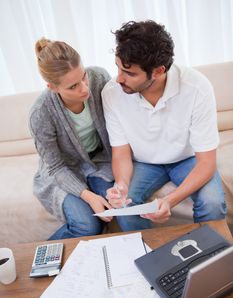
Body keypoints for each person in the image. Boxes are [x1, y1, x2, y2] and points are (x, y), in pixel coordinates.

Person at [103, 20, 226, 232]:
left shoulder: (197, 87)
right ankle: (151, 259)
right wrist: (121, 185)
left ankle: (207, 259)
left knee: (213, 202)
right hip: (143, 162)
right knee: (126, 207)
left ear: (158, 71)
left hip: (188, 160)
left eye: (130, 73)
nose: (119, 79)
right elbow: (121, 152)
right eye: (118, 68)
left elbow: (206, 162)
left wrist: (169, 201)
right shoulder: (112, 93)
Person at [30, 38, 114, 240]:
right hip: (64, 170)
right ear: (52, 87)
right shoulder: (41, 113)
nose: (84, 88)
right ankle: (38, 260)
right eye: (73, 86)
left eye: (83, 77)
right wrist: (89, 196)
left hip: (100, 162)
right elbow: (56, 167)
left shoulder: (99, 77)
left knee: (115, 210)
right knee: (87, 225)